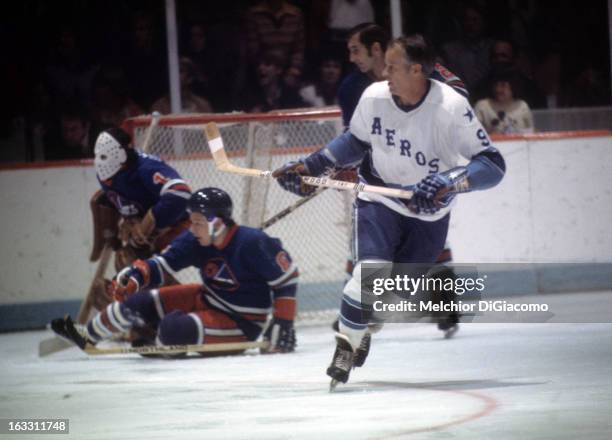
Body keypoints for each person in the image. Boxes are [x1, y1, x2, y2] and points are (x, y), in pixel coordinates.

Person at [272, 34, 505, 386]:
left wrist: (448, 182)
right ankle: (346, 348)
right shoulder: (375, 96)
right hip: (378, 198)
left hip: (428, 214)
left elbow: (492, 165)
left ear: (416, 70)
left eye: (393, 67)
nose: (385, 73)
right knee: (368, 275)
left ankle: (367, 321)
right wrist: (312, 166)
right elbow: (354, 140)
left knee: (390, 298)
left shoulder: (452, 106)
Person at [336, 23, 468, 338]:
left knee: (424, 232)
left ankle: (443, 299)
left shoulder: (421, 70)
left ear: (378, 49)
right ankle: (360, 306)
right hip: (382, 173)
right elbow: (355, 135)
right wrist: (343, 162)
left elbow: (458, 94)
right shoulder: (353, 87)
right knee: (370, 240)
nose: (352, 57)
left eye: (357, 50)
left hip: (424, 172)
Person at [52, 188, 298, 354]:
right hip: (207, 299)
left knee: (173, 329)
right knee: (137, 303)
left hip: (242, 322)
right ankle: (89, 335)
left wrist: (283, 323)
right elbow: (161, 264)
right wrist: (135, 276)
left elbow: (287, 279)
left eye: (198, 223)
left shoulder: (252, 242)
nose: (192, 229)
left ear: (217, 223)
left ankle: (162, 338)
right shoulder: (195, 239)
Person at [87, 127, 192, 310]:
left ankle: (185, 309)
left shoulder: (147, 168)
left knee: (135, 265)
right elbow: (115, 199)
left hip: (180, 228)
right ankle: (153, 315)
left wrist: (151, 223)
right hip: (149, 237)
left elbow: (180, 194)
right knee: (125, 261)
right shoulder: (106, 173)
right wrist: (131, 222)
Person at [474, 70, 534, 134]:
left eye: (503, 86)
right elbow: (474, 133)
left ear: (513, 87)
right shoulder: (482, 106)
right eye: (496, 85)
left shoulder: (523, 106)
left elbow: (532, 132)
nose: (498, 89)